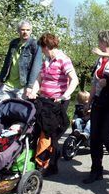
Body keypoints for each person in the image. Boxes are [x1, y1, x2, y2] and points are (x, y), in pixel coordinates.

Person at [28, 33, 78, 176]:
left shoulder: (63, 60)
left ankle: (52, 165)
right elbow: (39, 78)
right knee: (39, 130)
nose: (42, 51)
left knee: (52, 134)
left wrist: (64, 95)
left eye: (42, 48)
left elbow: (74, 80)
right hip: (44, 100)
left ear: (46, 46)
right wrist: (33, 92)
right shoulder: (47, 60)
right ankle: (38, 160)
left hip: (57, 102)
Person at [84, 30, 109, 183]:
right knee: (95, 136)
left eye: (100, 41)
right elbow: (95, 82)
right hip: (99, 100)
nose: (98, 44)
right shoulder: (100, 60)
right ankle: (96, 170)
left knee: (107, 136)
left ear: (106, 42)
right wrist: (89, 101)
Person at [0, 20, 42, 103]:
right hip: (8, 84)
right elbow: (7, 63)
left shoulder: (35, 45)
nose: (25, 32)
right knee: (4, 109)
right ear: (18, 31)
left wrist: (30, 86)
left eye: (27, 30)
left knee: (20, 112)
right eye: (23, 30)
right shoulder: (13, 43)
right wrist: (1, 79)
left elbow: (36, 67)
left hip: (23, 86)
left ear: (31, 31)